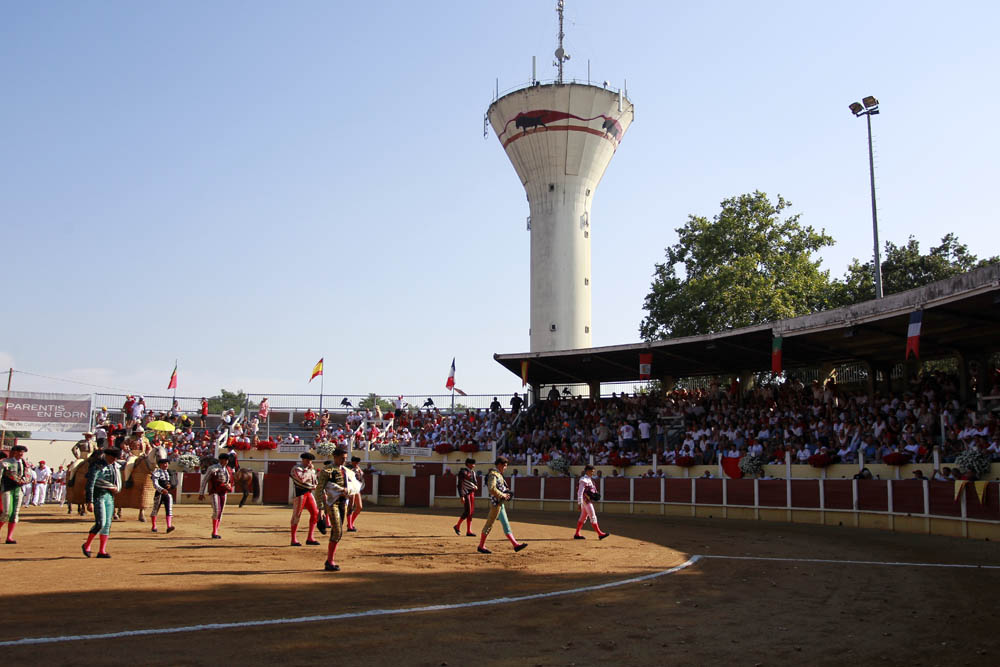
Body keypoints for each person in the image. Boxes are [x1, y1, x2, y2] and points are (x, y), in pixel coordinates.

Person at [477, 456, 527, 555]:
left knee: (505, 524)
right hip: (496, 504)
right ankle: (481, 546)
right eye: (504, 466)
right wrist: (503, 494)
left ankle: (515, 544)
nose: (505, 468)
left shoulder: (497, 474)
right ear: (499, 465)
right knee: (489, 524)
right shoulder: (493, 475)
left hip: (500, 504)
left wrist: (505, 493)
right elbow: (491, 489)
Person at [82, 447, 123, 558]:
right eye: (112, 457)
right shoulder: (96, 465)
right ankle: (87, 545)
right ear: (106, 455)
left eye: (116, 458)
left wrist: (115, 488)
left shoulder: (114, 466)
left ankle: (102, 551)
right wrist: (89, 501)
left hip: (109, 496)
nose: (114, 460)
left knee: (107, 524)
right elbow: (91, 483)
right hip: (98, 495)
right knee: (100, 523)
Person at [315, 447, 350, 571]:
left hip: (343, 503)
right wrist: (320, 509)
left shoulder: (345, 471)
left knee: (337, 533)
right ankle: (329, 561)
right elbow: (319, 490)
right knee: (337, 531)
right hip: (332, 503)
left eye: (345, 458)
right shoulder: (327, 470)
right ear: (335, 457)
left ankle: (329, 560)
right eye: (342, 458)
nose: (344, 461)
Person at [1, 445, 32, 544]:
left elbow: (29, 475)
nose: (21, 454)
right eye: (19, 452)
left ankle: (9, 537)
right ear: (14, 452)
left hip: (18, 489)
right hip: (7, 489)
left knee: (14, 513)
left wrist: (26, 480)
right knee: (6, 513)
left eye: (22, 452)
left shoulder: (25, 463)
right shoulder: (5, 463)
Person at [199, 453, 234, 539]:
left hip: (223, 492)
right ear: (220, 460)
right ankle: (214, 532)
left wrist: (229, 485)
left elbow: (230, 481)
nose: (224, 461)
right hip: (214, 491)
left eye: (226, 460)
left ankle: (215, 531)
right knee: (216, 510)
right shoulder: (212, 468)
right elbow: (205, 480)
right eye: (223, 460)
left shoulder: (228, 469)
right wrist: (201, 493)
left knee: (220, 512)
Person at [289, 452, 320, 546]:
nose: (309, 462)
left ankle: (310, 537)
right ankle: (293, 539)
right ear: (302, 460)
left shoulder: (310, 470)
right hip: (299, 494)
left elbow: (315, 482)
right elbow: (301, 479)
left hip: (308, 493)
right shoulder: (296, 468)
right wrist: (309, 470)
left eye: (310, 461)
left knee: (315, 513)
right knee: (297, 515)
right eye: (307, 460)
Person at [574, 465, 609, 540]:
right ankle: (600, 534)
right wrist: (579, 504)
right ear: (587, 471)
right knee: (593, 516)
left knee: (583, 517)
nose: (593, 473)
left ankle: (577, 534)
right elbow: (580, 492)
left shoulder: (589, 479)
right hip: (586, 501)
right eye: (592, 472)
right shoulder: (584, 480)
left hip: (586, 501)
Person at [453, 457, 479, 536]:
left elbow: (475, 483)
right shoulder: (463, 472)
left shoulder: (473, 472)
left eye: (474, 464)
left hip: (471, 493)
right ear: (468, 464)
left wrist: (476, 486)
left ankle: (468, 531)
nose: (473, 465)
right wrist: (461, 496)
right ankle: (457, 526)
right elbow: (459, 485)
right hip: (466, 493)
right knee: (467, 511)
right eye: (472, 464)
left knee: (471, 512)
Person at [150, 457, 175, 534]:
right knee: (155, 510)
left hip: (167, 493)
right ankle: (154, 526)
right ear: (160, 465)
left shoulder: (169, 472)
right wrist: (161, 490)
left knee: (169, 509)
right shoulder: (156, 473)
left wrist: (171, 485)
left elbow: (172, 482)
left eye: (167, 463)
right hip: (159, 493)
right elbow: (155, 484)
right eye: (164, 463)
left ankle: (169, 526)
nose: (166, 465)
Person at [345, 456, 364, 532]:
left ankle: (350, 523)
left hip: (356, 489)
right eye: (356, 462)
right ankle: (349, 526)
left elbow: (361, 476)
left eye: (358, 462)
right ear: (352, 462)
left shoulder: (357, 468)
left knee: (359, 507)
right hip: (350, 489)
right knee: (350, 506)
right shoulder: (348, 468)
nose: (357, 464)